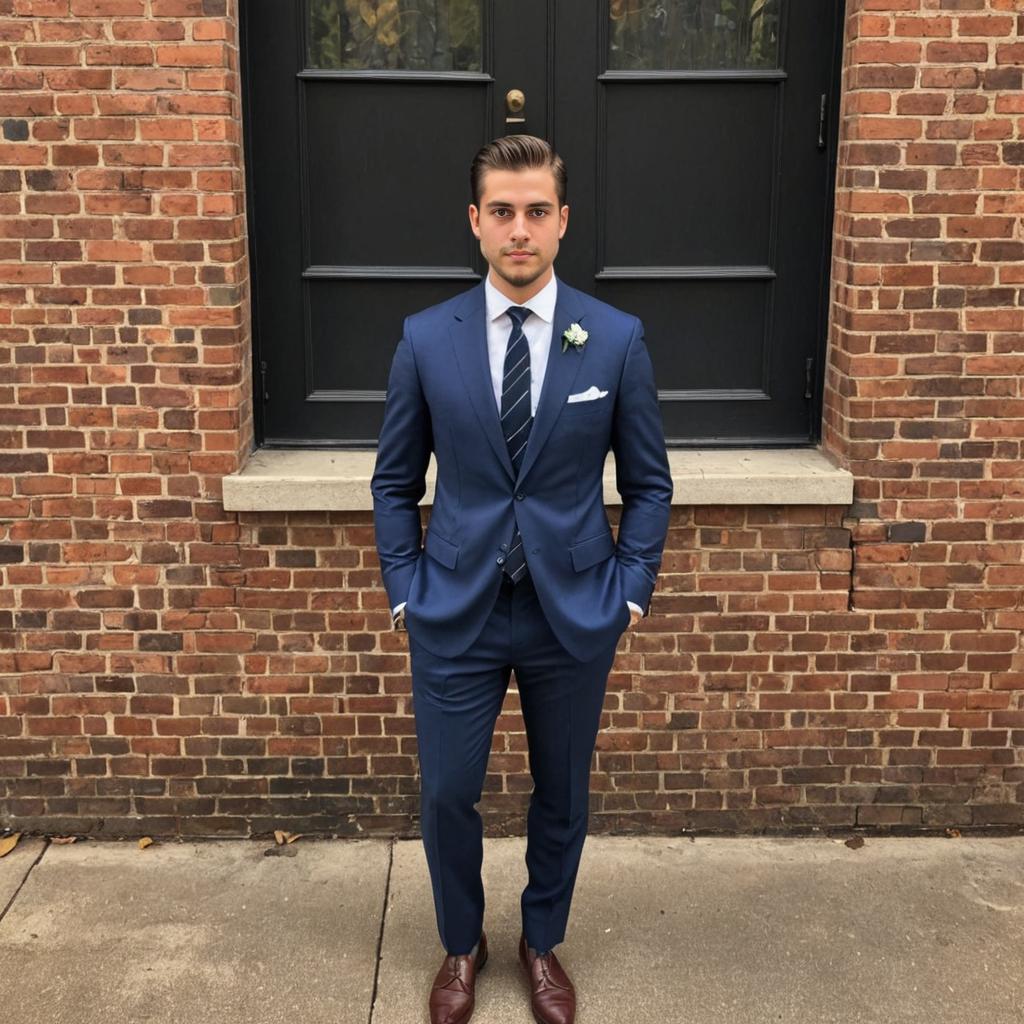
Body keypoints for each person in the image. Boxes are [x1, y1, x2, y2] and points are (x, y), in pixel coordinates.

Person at [370, 134, 672, 1024]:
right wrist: (403, 585)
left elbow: (649, 483)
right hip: (454, 608)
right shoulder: (426, 340)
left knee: (562, 792)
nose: (519, 228)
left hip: (572, 612)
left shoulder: (614, 340)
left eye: (536, 210)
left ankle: (543, 941)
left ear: (563, 221)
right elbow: (394, 482)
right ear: (475, 222)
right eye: (501, 210)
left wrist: (630, 587)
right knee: (447, 792)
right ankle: (462, 944)